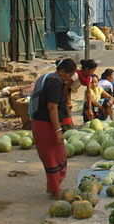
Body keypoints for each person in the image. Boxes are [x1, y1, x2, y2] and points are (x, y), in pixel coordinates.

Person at [31, 58, 77, 199]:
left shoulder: (49, 77)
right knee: (52, 157)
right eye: (68, 75)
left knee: (59, 155)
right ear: (62, 71)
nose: (69, 79)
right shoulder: (55, 82)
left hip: (42, 122)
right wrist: (57, 130)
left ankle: (53, 186)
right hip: (45, 124)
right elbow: (52, 107)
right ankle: (55, 190)